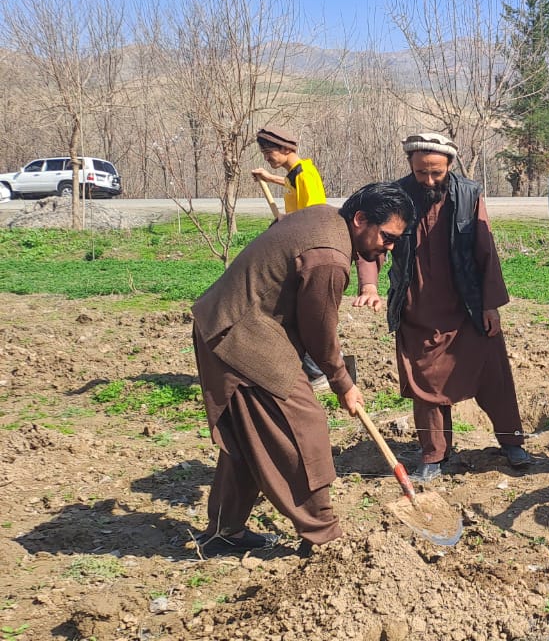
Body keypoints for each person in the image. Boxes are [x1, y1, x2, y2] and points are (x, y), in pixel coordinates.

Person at [191, 182, 413, 557]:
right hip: (242, 335)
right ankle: (325, 538)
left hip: (225, 321)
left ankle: (225, 530)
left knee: (250, 435)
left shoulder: (326, 216)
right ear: (360, 219)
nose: (388, 249)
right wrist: (344, 383)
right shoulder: (328, 258)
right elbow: (319, 333)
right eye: (387, 238)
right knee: (302, 427)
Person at [353, 132, 530, 484]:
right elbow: (372, 246)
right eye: (422, 173)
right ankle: (435, 454)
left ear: (449, 165)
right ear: (411, 167)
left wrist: (490, 305)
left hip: (467, 305)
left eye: (436, 172)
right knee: (425, 385)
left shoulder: (468, 194)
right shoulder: (395, 196)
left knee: (492, 374)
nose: (430, 180)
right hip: (417, 307)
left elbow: (485, 251)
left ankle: (512, 443)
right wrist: (369, 286)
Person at [250, 124, 333, 393]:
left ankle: (319, 373)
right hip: (293, 250)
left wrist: (286, 227)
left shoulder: (306, 175)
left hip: (304, 256)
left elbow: (315, 217)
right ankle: (318, 370)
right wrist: (268, 178)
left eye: (269, 153)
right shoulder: (294, 174)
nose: (267, 158)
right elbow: (291, 187)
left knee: (295, 314)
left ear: (287, 149)